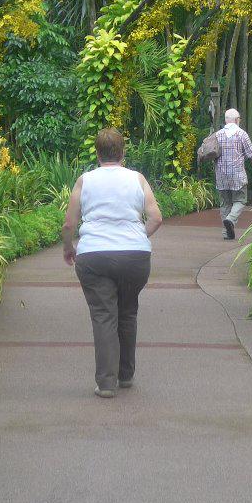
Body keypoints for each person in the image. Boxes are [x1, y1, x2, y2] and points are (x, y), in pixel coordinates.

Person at [62, 128, 163, 398]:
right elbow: (156, 218)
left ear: (97, 154)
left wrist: (69, 248)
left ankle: (106, 384)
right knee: (128, 312)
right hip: (135, 258)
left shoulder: (85, 181)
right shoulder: (137, 178)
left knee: (104, 315)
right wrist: (137, 237)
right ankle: (126, 375)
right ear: (123, 152)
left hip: (94, 256)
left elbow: (69, 223)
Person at [210, 108, 252, 240]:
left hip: (221, 175)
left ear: (226, 120)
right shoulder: (242, 134)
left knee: (225, 204)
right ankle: (231, 219)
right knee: (240, 200)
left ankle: (226, 233)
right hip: (237, 175)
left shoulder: (217, 135)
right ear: (237, 120)